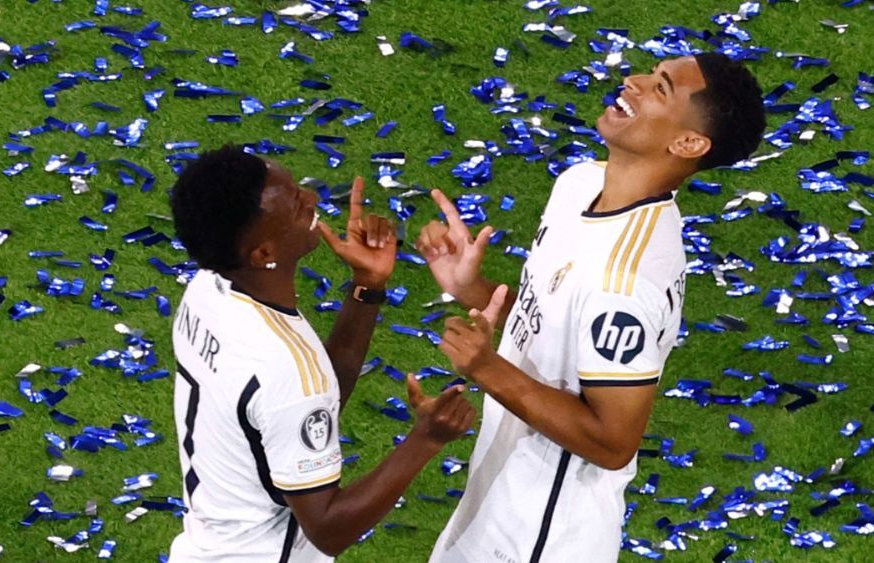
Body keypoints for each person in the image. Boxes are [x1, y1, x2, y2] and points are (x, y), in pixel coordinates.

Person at [417, 53, 766, 562]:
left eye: (661, 88)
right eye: (652, 72)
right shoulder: (580, 183)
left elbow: (612, 440)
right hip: (499, 495)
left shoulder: (628, 280)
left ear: (689, 143)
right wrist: (473, 290)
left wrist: (485, 367)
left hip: (542, 535)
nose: (634, 81)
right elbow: (561, 324)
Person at [167, 145, 476, 562]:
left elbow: (307, 398)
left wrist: (367, 286)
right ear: (263, 254)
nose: (312, 198)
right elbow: (328, 528)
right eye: (295, 205)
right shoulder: (279, 364)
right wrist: (425, 439)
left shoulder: (205, 291)